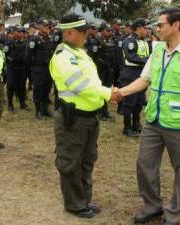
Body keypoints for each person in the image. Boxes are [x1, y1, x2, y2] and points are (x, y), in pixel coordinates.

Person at [117, 8, 180, 225]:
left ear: (175, 25)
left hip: (179, 124)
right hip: (153, 120)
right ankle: (152, 206)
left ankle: (174, 212)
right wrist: (121, 92)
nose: (157, 29)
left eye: (160, 25)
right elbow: (144, 79)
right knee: (144, 164)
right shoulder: (157, 50)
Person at [50, 13, 122, 219]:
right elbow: (82, 87)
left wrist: (106, 93)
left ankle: (84, 198)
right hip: (74, 119)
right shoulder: (63, 56)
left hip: (90, 117)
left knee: (87, 159)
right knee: (71, 161)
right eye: (83, 32)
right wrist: (110, 94)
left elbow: (94, 82)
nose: (87, 35)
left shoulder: (80, 53)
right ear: (70, 33)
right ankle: (75, 204)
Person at [119, 18, 150, 137]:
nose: (147, 30)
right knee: (129, 103)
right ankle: (127, 128)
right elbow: (131, 57)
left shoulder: (144, 41)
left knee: (139, 102)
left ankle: (136, 125)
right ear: (139, 28)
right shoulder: (130, 41)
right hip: (130, 75)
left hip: (141, 75)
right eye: (145, 28)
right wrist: (147, 61)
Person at [25, 18, 55, 119]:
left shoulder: (49, 38)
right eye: (45, 26)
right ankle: (38, 111)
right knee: (38, 89)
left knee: (47, 88)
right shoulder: (34, 39)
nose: (47, 28)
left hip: (48, 68)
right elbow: (28, 55)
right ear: (39, 26)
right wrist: (33, 68)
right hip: (38, 69)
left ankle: (45, 109)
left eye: (48, 26)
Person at [4, 25, 30, 111]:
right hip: (12, 68)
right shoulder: (9, 43)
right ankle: (10, 104)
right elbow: (5, 55)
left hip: (22, 68)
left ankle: (22, 103)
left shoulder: (26, 42)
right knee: (11, 86)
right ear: (14, 32)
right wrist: (12, 61)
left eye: (22, 32)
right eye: (18, 32)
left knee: (22, 86)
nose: (21, 33)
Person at [96, 23, 119, 120]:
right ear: (102, 30)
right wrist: (104, 65)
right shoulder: (97, 41)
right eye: (107, 30)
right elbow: (95, 57)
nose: (110, 32)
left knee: (107, 90)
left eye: (110, 30)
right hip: (101, 71)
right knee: (100, 91)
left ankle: (105, 111)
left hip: (110, 70)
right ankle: (99, 112)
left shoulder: (111, 40)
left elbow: (114, 55)